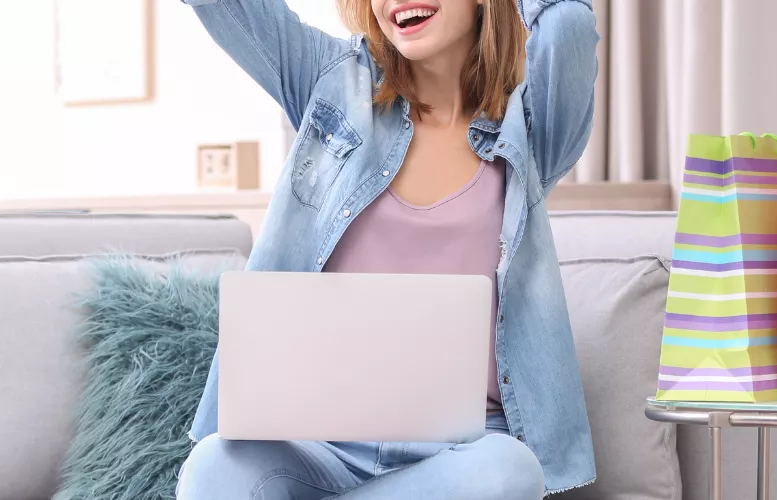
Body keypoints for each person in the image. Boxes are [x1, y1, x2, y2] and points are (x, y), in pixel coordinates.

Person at [175, 0, 599, 498]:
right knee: (213, 467)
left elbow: (568, 24)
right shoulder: (330, 80)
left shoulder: (529, 126)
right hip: (320, 448)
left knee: (510, 471)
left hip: (464, 452)